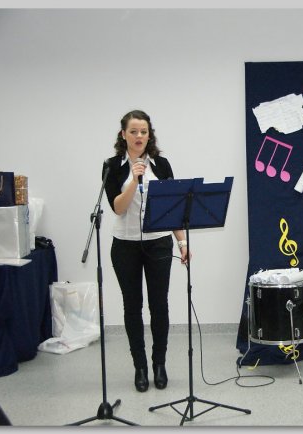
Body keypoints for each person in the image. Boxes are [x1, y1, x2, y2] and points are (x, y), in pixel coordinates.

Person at [103, 109, 189, 392]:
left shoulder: (161, 165)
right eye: (133, 131)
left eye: (144, 131)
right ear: (123, 135)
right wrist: (133, 178)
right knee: (132, 306)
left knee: (159, 305)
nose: (139, 136)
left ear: (149, 135)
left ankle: (159, 363)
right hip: (125, 244)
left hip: (158, 242)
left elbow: (172, 207)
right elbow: (118, 207)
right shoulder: (112, 166)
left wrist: (182, 242)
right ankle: (139, 367)